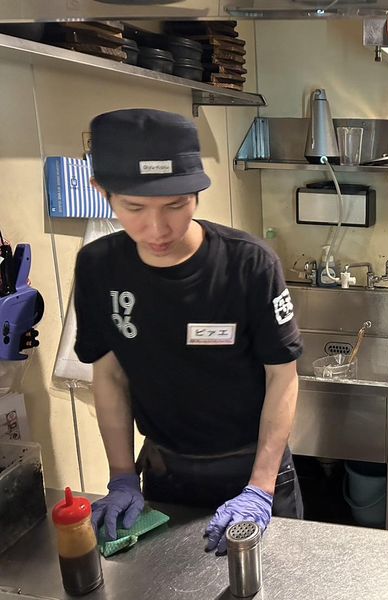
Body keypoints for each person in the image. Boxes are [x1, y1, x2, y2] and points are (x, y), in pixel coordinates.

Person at [73, 108, 303, 555]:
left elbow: (283, 376)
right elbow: (110, 375)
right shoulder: (99, 267)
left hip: (255, 470)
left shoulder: (249, 264)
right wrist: (122, 476)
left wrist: (260, 487)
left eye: (176, 205)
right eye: (134, 208)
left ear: (197, 192)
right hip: (165, 474)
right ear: (103, 192)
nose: (157, 228)